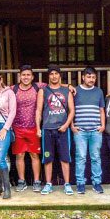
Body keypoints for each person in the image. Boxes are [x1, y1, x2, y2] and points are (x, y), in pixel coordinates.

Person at [35, 65, 75, 195]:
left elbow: (72, 111)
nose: (54, 76)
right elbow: (38, 111)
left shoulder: (66, 91)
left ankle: (67, 184)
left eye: (56, 74)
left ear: (59, 75)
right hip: (47, 128)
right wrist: (38, 127)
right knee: (48, 158)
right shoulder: (43, 91)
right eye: (51, 74)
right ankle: (48, 184)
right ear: (49, 76)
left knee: (65, 158)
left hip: (63, 129)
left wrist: (66, 125)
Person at [72, 67, 106, 194]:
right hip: (80, 130)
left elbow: (101, 110)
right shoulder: (75, 91)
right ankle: (80, 183)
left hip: (95, 130)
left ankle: (97, 182)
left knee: (96, 157)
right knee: (80, 157)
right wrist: (72, 125)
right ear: (83, 77)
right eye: (88, 77)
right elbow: (71, 110)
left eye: (93, 77)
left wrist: (102, 125)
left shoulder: (99, 92)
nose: (91, 79)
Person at [12, 65, 43, 192]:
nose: (25, 77)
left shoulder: (38, 87)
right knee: (19, 155)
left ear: (32, 77)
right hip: (17, 127)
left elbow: (55, 84)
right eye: (23, 75)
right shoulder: (12, 89)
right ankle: (21, 181)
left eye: (28, 75)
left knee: (34, 154)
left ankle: (36, 181)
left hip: (33, 127)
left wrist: (68, 86)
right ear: (20, 76)